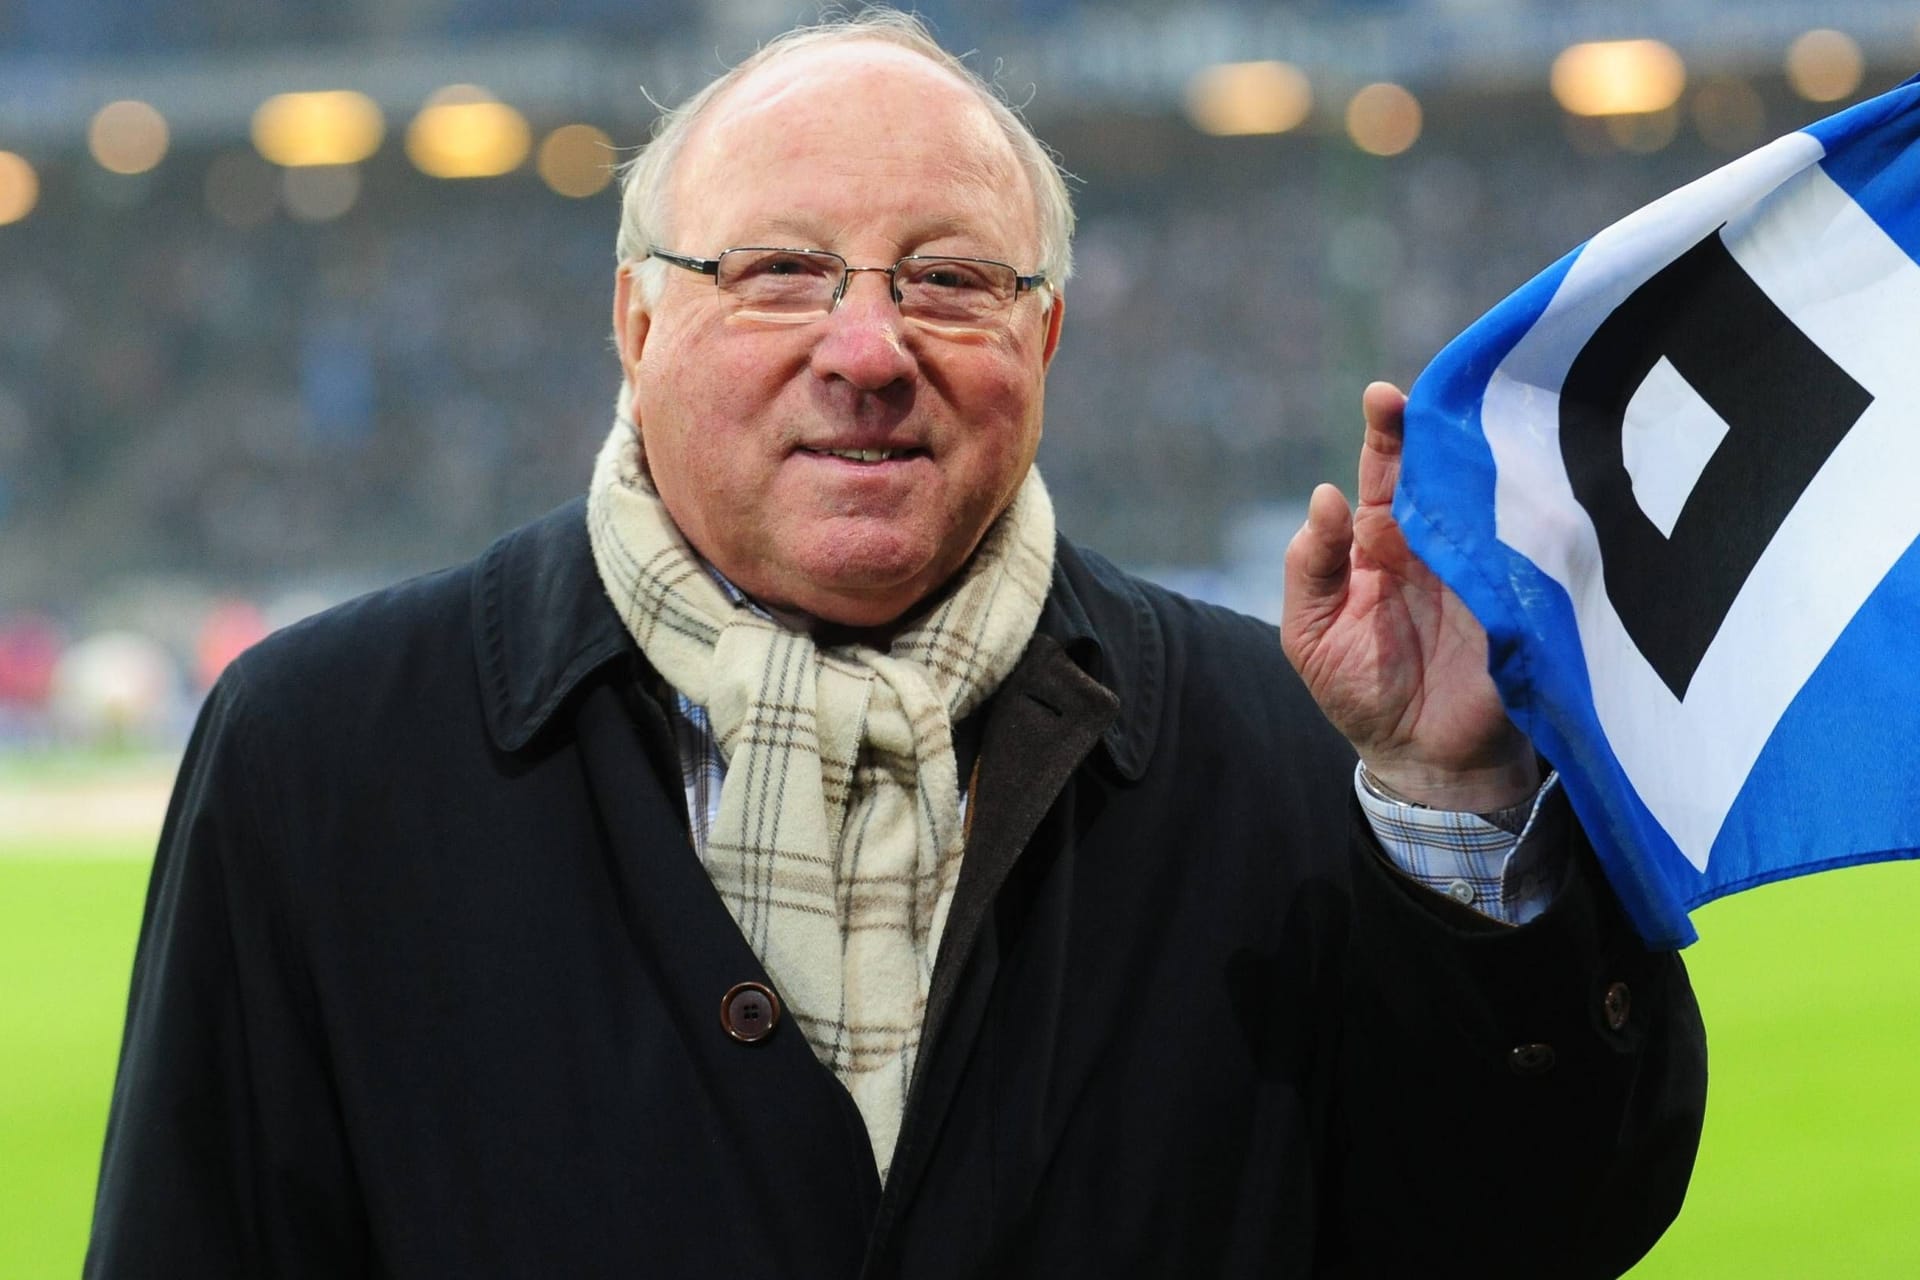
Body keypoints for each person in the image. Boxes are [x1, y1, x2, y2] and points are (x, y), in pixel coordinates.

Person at [87, 11, 1704, 1278]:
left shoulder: (1299, 754)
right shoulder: (321, 757)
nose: (868, 351)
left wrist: (1451, 811)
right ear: (637, 322)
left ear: (1044, 335)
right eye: (779, 273)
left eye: (948, 279)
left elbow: (1536, 1233)